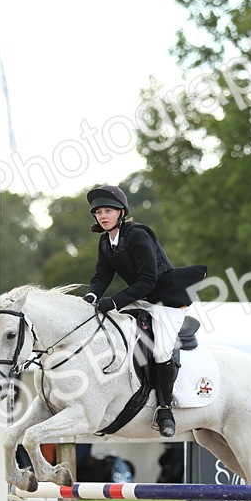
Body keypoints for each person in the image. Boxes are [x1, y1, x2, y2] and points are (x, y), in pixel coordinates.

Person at [82, 184, 207, 437]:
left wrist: (114, 302)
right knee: (109, 325)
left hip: (166, 300)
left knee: (161, 350)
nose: (102, 216)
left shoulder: (138, 235)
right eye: (98, 212)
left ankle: (165, 408)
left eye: (108, 210)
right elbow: (101, 276)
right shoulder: (106, 242)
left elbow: (148, 280)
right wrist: (91, 297)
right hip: (141, 298)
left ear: (122, 212)